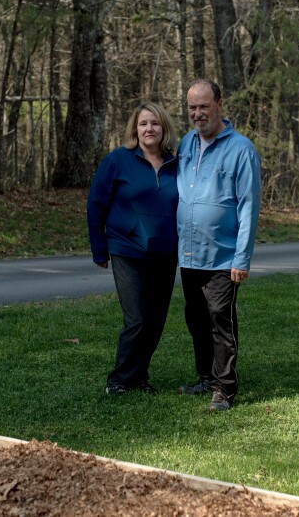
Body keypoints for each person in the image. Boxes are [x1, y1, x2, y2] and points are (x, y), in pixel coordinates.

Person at [176, 79, 261, 412]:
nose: (198, 114)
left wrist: (241, 259)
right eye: (192, 108)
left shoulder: (241, 150)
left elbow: (249, 207)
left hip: (224, 257)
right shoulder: (185, 144)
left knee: (219, 320)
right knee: (196, 319)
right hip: (189, 253)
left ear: (219, 105)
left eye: (204, 106)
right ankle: (205, 377)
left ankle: (224, 389)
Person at [87, 102, 179, 395]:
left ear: (163, 128)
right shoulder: (118, 160)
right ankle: (118, 379)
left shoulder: (177, 164)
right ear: (134, 129)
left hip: (165, 253)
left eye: (154, 123)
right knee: (137, 318)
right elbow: (95, 204)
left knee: (155, 320)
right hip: (127, 249)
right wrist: (99, 249)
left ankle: (139, 376)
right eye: (143, 124)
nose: (148, 129)